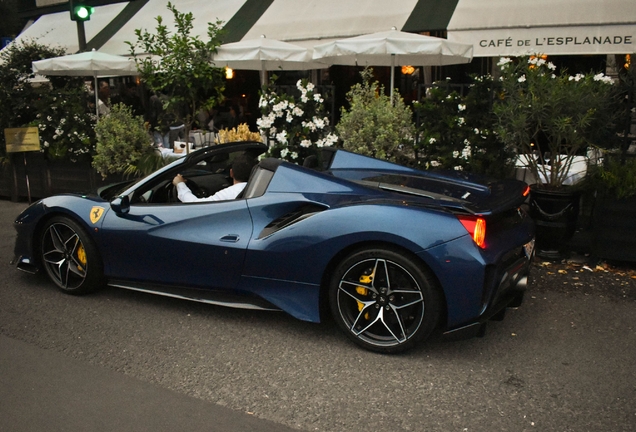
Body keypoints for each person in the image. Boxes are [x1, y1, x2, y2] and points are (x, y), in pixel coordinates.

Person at [172, 154, 257, 203]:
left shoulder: (229, 193)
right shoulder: (261, 190)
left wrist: (180, 184)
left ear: (231, 173)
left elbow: (196, 205)